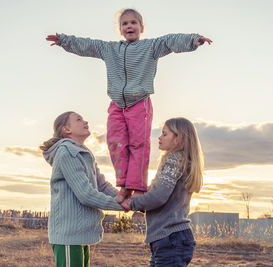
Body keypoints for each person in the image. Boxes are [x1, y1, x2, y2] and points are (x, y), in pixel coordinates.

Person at [46, 8, 212, 203]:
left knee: (138, 144)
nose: (129, 26)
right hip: (117, 104)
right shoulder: (109, 49)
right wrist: (64, 41)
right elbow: (88, 45)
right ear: (120, 29)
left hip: (140, 102)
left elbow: (170, 41)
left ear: (142, 27)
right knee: (115, 143)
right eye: (124, 24)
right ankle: (124, 186)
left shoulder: (151, 47)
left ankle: (138, 187)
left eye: (133, 23)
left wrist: (193, 40)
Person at [40, 111, 124, 267]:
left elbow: (102, 185)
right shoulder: (66, 152)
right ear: (66, 129)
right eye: (79, 120)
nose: (85, 122)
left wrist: (126, 198)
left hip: (79, 235)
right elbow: (85, 194)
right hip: (68, 235)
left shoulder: (84, 152)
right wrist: (122, 204)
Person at [121, 117, 204, 267]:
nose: (159, 137)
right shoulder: (181, 161)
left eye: (165, 134)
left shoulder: (174, 160)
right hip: (171, 239)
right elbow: (159, 191)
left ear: (178, 139)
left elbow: (158, 196)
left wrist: (133, 203)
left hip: (171, 238)